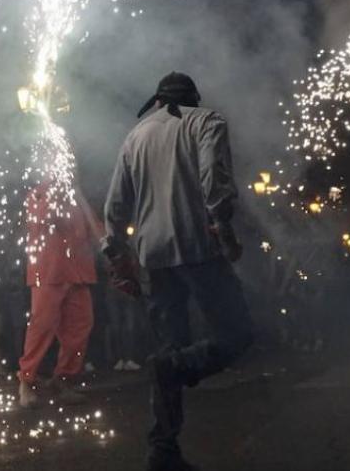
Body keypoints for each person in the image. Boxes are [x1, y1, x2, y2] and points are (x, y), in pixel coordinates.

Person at [103, 72, 253, 471]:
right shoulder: (207, 121)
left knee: (167, 351)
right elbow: (214, 182)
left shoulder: (137, 134)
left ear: (157, 100)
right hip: (197, 249)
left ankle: (162, 450)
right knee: (238, 333)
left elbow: (115, 204)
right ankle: (183, 366)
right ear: (193, 98)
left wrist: (116, 255)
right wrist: (225, 233)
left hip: (154, 256)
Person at [17, 173, 102, 408]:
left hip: (77, 272)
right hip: (49, 271)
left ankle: (64, 378)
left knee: (81, 325)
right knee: (42, 325)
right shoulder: (38, 193)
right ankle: (26, 381)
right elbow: (43, 217)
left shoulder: (76, 195)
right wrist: (61, 192)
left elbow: (95, 228)